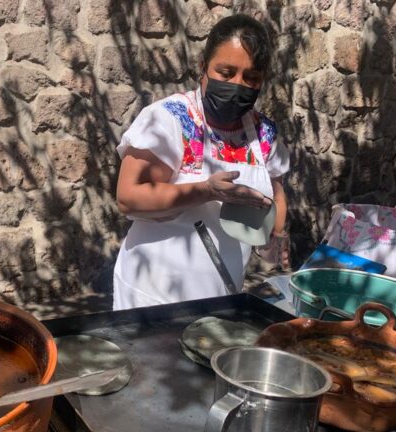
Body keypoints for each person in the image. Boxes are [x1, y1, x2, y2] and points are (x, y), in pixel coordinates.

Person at [113, 14, 290, 310]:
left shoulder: (264, 134)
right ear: (203, 67)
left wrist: (275, 237)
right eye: (226, 72)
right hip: (153, 293)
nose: (238, 85)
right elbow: (128, 199)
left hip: (222, 291)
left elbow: (277, 193)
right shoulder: (169, 119)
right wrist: (207, 191)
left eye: (251, 78)